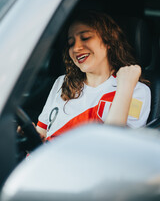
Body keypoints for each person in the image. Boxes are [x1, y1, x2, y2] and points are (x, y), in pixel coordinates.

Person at [36, 10, 151, 141]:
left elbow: (114, 145)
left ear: (108, 42)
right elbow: (42, 132)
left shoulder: (135, 90)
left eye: (85, 38)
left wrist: (125, 87)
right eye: (71, 43)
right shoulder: (62, 82)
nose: (76, 48)